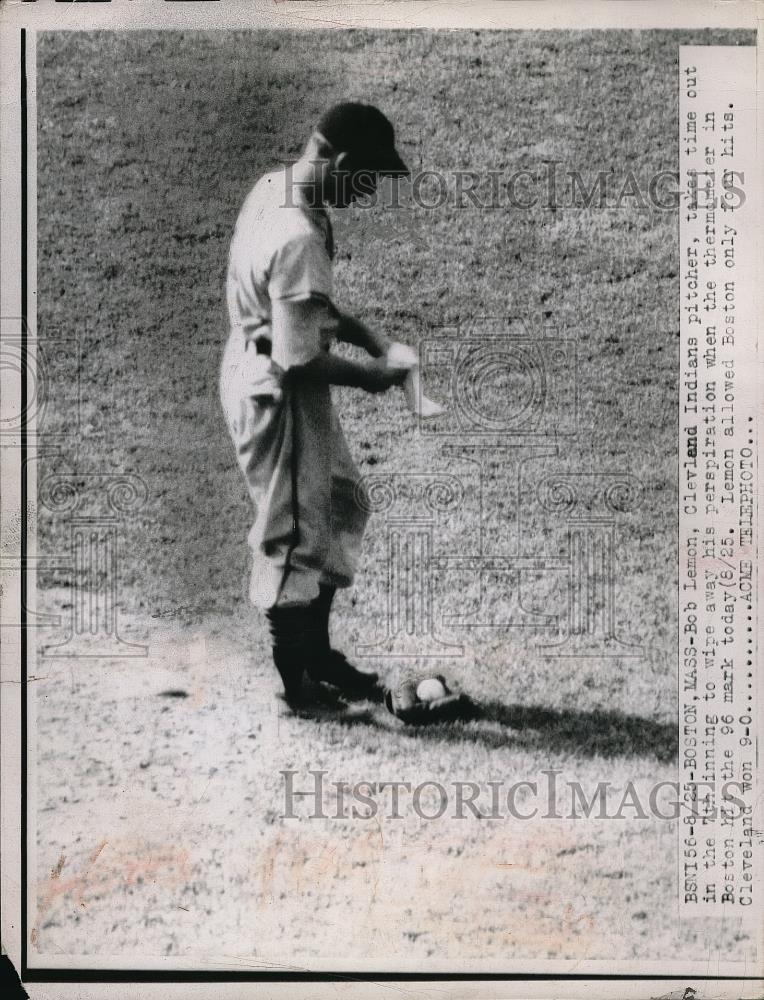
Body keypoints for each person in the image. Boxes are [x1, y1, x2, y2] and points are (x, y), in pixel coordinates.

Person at [220, 102, 410, 709]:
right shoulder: (297, 235)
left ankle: (317, 657)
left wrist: (371, 337)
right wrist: (374, 376)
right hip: (278, 390)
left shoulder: (277, 187)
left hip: (269, 364)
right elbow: (301, 358)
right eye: (371, 178)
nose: (373, 191)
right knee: (295, 536)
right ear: (344, 162)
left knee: (342, 503)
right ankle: (298, 684)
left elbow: (309, 316)